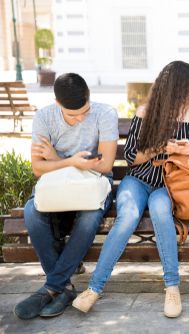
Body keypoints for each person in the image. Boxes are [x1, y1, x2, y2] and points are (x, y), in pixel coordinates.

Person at [72, 61, 189, 318]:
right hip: (137, 180)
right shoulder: (146, 111)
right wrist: (161, 148)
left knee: (161, 214)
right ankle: (93, 289)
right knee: (126, 219)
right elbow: (132, 156)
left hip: (168, 185)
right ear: (178, 86)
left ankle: (172, 287)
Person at [14, 73, 118, 319]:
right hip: (57, 188)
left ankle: (52, 287)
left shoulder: (105, 114)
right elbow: (38, 168)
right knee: (32, 211)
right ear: (57, 103)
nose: (81, 118)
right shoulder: (44, 117)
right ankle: (64, 287)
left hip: (93, 187)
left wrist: (57, 159)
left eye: (85, 110)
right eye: (73, 115)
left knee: (90, 218)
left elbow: (104, 166)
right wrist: (72, 161)